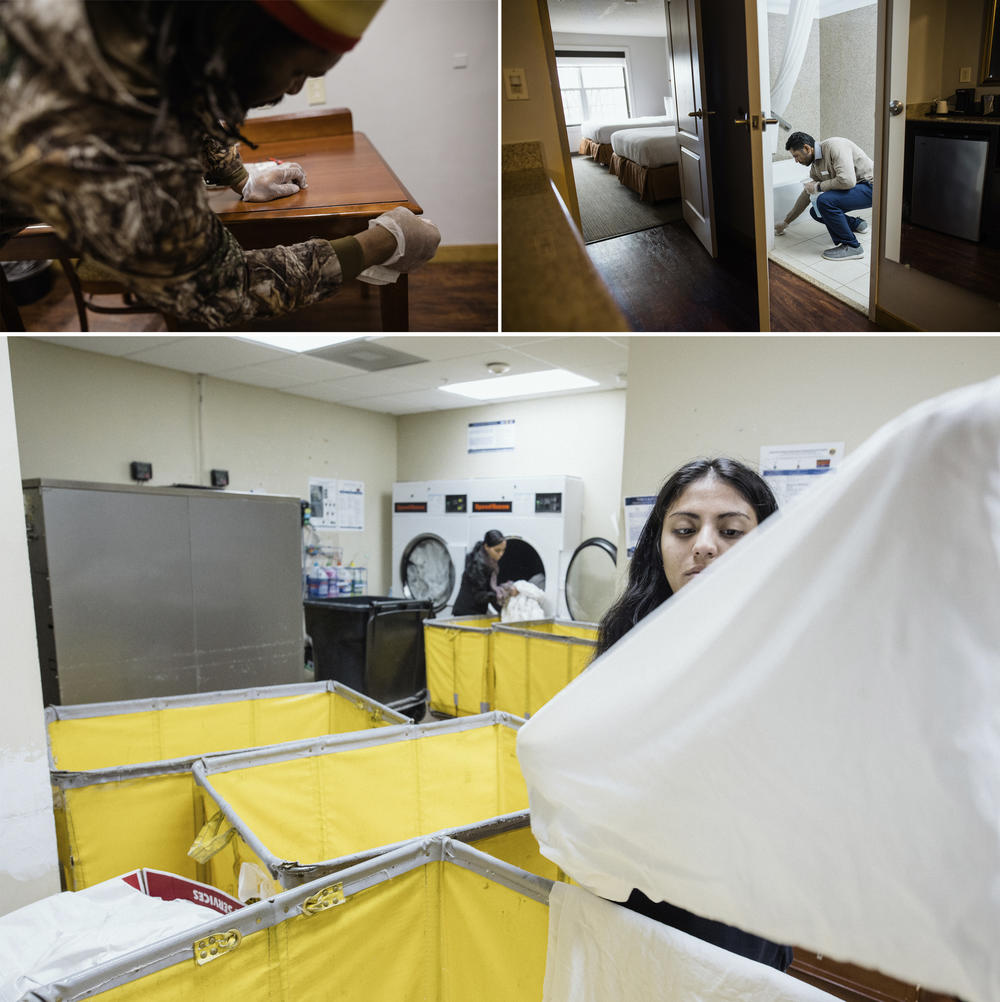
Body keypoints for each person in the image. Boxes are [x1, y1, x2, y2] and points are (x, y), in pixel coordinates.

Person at [0, 0, 440, 329]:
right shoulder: (111, 128)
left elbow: (185, 86)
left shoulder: (154, 19)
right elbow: (219, 289)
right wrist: (384, 241)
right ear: (246, 32)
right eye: (299, 71)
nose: (292, 89)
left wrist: (240, 177)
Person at [596, 457, 791, 971]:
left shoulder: (789, 652)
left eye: (731, 530)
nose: (704, 545)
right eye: (684, 529)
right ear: (658, 545)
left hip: (737, 906)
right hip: (635, 894)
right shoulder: (626, 643)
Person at [773, 131, 874, 263]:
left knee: (825, 201)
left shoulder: (834, 146)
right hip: (857, 189)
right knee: (816, 211)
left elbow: (848, 181)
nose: (796, 161)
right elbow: (806, 194)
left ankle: (852, 246)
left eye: (796, 156)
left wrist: (818, 187)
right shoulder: (815, 167)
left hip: (872, 187)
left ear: (807, 148)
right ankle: (857, 224)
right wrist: (786, 222)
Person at [452, 529, 518, 617]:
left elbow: (490, 589)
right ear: (486, 546)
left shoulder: (490, 563)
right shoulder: (478, 565)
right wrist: (504, 593)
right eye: (497, 550)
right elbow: (479, 596)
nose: (501, 554)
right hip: (466, 612)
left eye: (503, 550)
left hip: (476, 611)